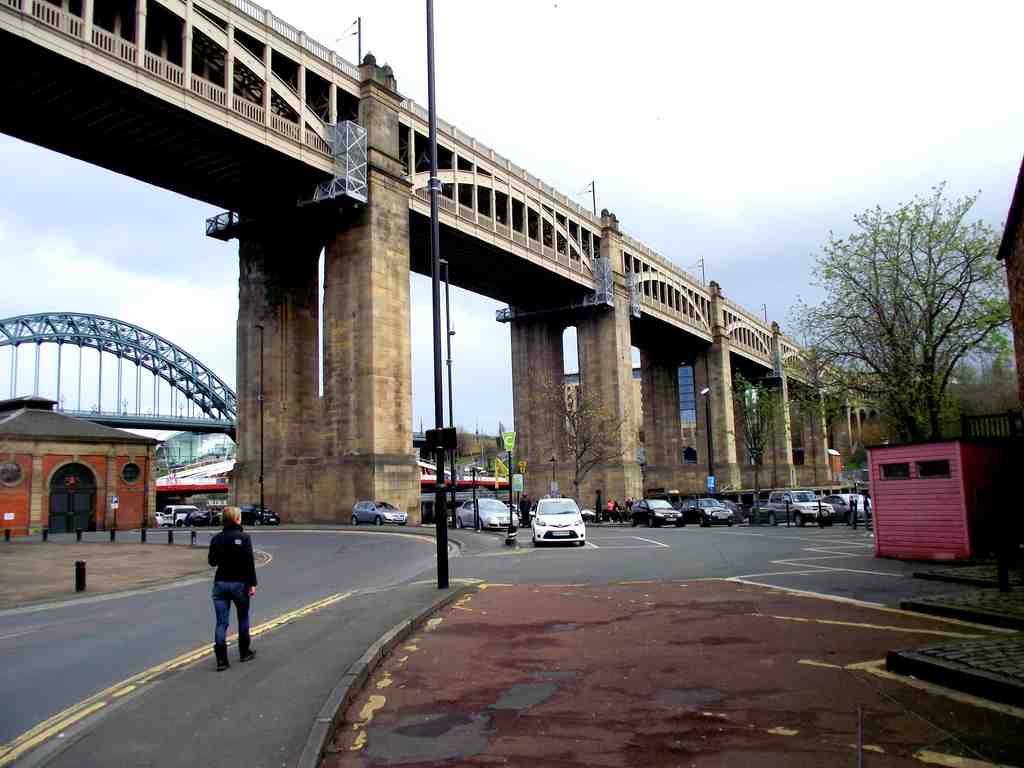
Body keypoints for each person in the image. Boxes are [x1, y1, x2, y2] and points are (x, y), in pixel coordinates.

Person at [208, 506, 258, 671]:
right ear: (237, 519)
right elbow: (249, 563)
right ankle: (245, 652)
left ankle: (221, 661)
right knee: (243, 617)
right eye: (240, 516)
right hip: (239, 583)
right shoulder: (244, 538)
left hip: (220, 583)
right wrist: (252, 584)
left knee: (221, 622)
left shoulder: (216, 539)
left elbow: (212, 562)